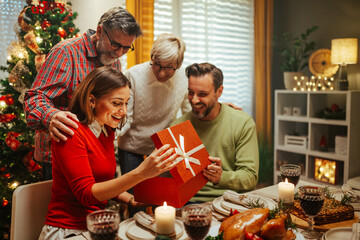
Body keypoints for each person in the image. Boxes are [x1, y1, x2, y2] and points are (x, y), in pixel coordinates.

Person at [38, 67, 177, 240]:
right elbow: (87, 194)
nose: (124, 111)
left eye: (126, 103)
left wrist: (129, 198)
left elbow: (101, 180)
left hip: (97, 227)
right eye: (117, 103)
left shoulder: (106, 130)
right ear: (92, 101)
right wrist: (141, 173)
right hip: (69, 230)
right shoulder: (70, 133)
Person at [24, 7, 142, 180]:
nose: (118, 53)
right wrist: (52, 116)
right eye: (115, 45)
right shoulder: (66, 52)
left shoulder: (114, 62)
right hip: (60, 154)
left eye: (125, 48)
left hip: (94, 154)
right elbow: (34, 98)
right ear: (100, 31)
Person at [171, 62, 259, 203]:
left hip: (229, 201)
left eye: (202, 94)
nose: (194, 100)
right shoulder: (178, 126)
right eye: (191, 92)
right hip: (187, 204)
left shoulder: (242, 123)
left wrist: (221, 177)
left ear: (219, 92)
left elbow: (250, 177)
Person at [117, 33, 190, 175]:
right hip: (131, 147)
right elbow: (126, 117)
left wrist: (220, 108)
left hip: (162, 148)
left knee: (158, 195)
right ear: (152, 57)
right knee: (132, 194)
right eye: (157, 64)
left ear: (179, 64)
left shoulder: (184, 77)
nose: (162, 73)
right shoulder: (133, 75)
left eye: (169, 67)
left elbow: (190, 113)